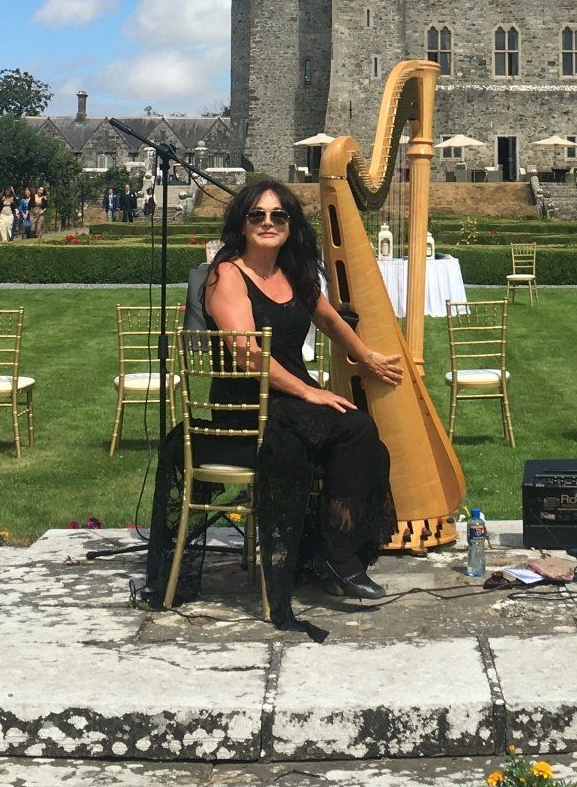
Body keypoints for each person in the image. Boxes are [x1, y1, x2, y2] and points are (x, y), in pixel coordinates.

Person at [147, 179, 402, 621]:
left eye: (278, 215)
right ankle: (334, 558)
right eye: (257, 215)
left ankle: (331, 552)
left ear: (290, 224)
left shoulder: (294, 272)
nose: (268, 222)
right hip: (246, 406)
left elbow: (330, 320)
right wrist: (309, 390)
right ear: (242, 224)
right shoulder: (227, 275)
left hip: (290, 400)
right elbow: (248, 355)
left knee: (360, 433)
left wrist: (367, 358)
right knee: (350, 430)